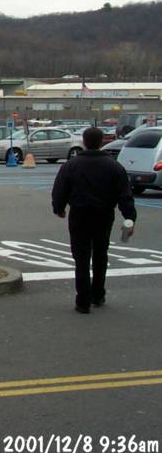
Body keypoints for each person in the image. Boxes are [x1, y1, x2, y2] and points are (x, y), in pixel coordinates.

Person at [51, 126, 136, 314]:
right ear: (101, 142)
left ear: (84, 141)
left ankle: (83, 300)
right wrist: (130, 217)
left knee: (81, 257)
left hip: (79, 213)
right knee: (100, 253)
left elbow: (60, 188)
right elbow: (125, 195)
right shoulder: (114, 166)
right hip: (104, 214)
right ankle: (98, 293)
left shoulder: (71, 165)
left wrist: (59, 207)